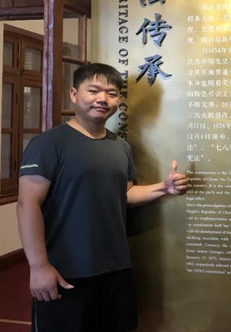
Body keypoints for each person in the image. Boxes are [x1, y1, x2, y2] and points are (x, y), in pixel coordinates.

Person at [17, 62, 188, 332]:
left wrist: (164, 188)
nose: (103, 99)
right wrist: (39, 266)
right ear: (74, 94)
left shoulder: (120, 147)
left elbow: (125, 194)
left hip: (115, 268)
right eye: (94, 90)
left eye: (111, 93)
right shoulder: (49, 144)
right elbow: (28, 204)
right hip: (66, 272)